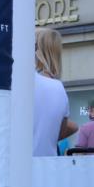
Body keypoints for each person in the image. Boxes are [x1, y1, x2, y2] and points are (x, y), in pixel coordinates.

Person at [32, 27, 78, 156]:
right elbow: (59, 132)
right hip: (48, 165)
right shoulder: (58, 88)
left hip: (18, 165)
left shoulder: (22, 82)